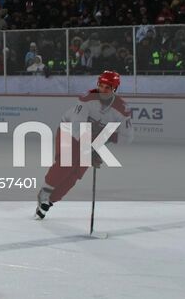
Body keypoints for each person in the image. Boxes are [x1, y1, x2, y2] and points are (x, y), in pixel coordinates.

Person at [35, 70, 133, 220]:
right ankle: (45, 191)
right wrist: (92, 149)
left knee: (77, 173)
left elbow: (127, 137)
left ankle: (49, 201)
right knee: (67, 162)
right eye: (101, 85)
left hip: (91, 138)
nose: (103, 90)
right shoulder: (87, 100)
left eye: (108, 87)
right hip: (69, 129)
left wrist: (104, 139)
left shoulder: (122, 109)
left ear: (115, 89)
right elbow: (76, 129)